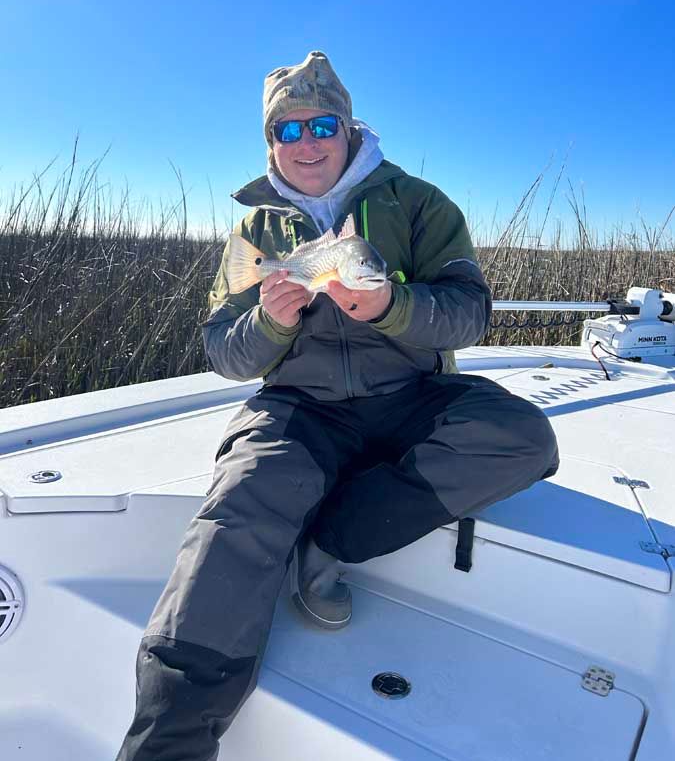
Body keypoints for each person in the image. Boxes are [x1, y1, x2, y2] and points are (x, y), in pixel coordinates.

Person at [116, 50, 559, 760]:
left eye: (322, 123)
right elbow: (226, 354)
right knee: (241, 504)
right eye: (286, 131)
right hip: (300, 408)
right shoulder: (254, 235)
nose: (307, 142)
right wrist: (271, 323)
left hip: (412, 393)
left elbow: (469, 313)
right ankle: (169, 738)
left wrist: (390, 305)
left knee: (522, 438)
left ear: (349, 127)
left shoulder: (417, 202)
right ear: (270, 145)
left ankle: (330, 538)